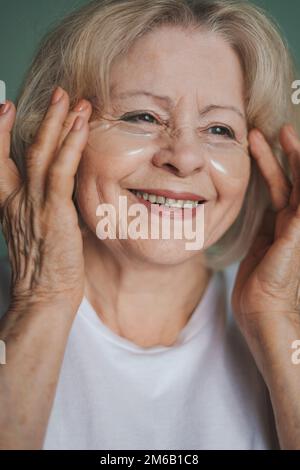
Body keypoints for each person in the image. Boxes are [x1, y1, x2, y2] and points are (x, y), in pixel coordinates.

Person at [0, 0, 300, 450]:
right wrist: (40, 301)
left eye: (219, 129)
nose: (183, 158)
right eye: (142, 116)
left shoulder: (287, 327)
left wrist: (278, 321)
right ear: (55, 134)